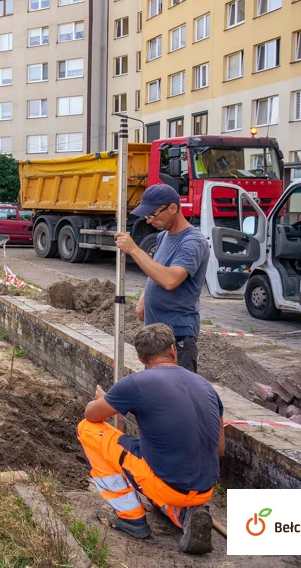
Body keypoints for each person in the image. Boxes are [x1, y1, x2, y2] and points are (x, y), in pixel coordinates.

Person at [77, 324, 224, 554]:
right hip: (205, 487)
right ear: (173, 350)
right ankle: (186, 513)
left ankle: (129, 515)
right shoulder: (207, 387)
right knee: (155, 457)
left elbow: (91, 415)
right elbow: (219, 449)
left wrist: (104, 400)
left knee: (87, 429)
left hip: (167, 485)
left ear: (139, 357)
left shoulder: (135, 384)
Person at [114, 183, 209, 373]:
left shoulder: (192, 242)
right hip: (155, 336)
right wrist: (144, 299)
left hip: (177, 338)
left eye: (153, 215)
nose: (149, 221)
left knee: (177, 396)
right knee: (156, 394)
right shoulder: (163, 236)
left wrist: (134, 250)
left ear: (173, 208)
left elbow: (170, 279)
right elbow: (157, 270)